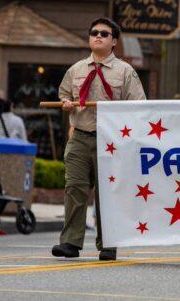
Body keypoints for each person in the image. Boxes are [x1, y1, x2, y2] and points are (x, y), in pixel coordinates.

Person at [51, 18, 146, 261]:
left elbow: (139, 106)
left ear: (114, 41)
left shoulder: (125, 71)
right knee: (74, 189)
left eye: (105, 33)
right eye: (94, 33)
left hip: (111, 141)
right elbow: (63, 94)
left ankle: (108, 244)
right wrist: (66, 104)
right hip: (80, 137)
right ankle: (70, 242)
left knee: (108, 194)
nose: (99, 36)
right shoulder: (76, 70)